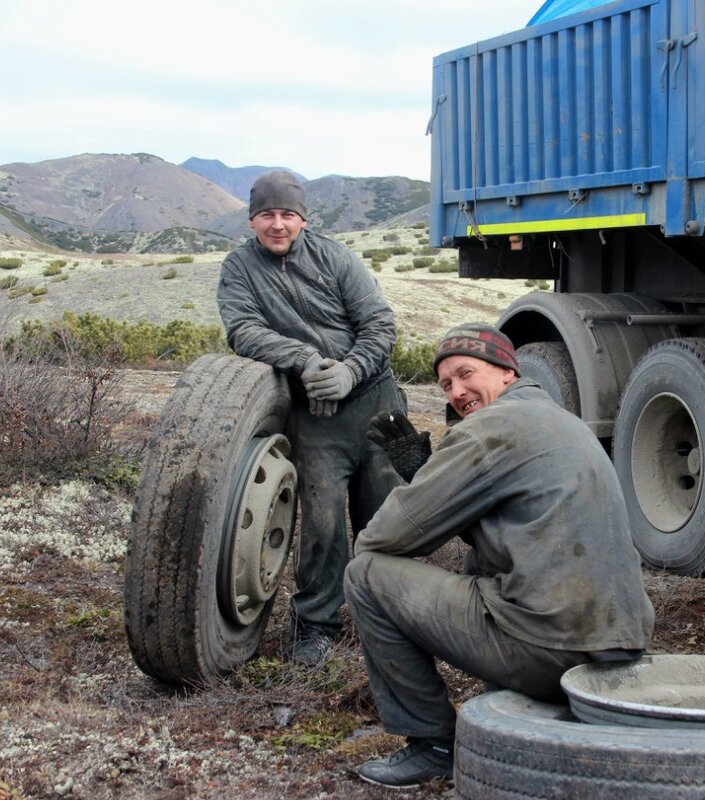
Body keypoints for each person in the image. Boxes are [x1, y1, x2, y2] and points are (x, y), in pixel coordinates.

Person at [344, 323, 654, 788]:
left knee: (364, 575)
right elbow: (511, 519)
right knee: (489, 569)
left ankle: (432, 745)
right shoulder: (560, 420)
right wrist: (431, 475)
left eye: (466, 374)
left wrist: (427, 483)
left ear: (507, 372)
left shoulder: (488, 430)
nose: (456, 392)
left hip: (551, 649)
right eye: (446, 384)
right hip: (619, 647)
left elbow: (385, 539)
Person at [217, 170, 401, 666]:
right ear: (252, 219)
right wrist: (304, 359)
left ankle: (387, 613)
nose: (277, 225)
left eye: (287, 215)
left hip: (378, 401)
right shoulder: (239, 268)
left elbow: (380, 325)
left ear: (303, 218)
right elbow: (242, 330)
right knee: (321, 523)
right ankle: (316, 625)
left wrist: (351, 370)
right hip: (315, 413)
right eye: (267, 215)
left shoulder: (335, 257)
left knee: (390, 513)